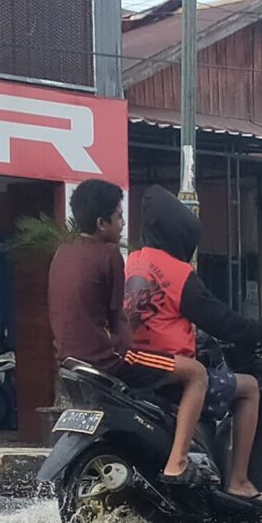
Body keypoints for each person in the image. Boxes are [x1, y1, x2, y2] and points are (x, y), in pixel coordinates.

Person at [124, 185, 262, 503]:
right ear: (179, 235)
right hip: (169, 373)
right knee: (248, 387)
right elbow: (220, 319)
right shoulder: (179, 274)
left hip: (133, 365)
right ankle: (238, 480)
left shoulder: (132, 262)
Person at [46, 180, 210, 425]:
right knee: (196, 373)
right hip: (108, 360)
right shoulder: (110, 255)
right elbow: (118, 320)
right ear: (102, 224)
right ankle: (178, 460)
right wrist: (138, 346)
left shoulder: (62, 253)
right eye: (119, 217)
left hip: (68, 359)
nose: (123, 224)